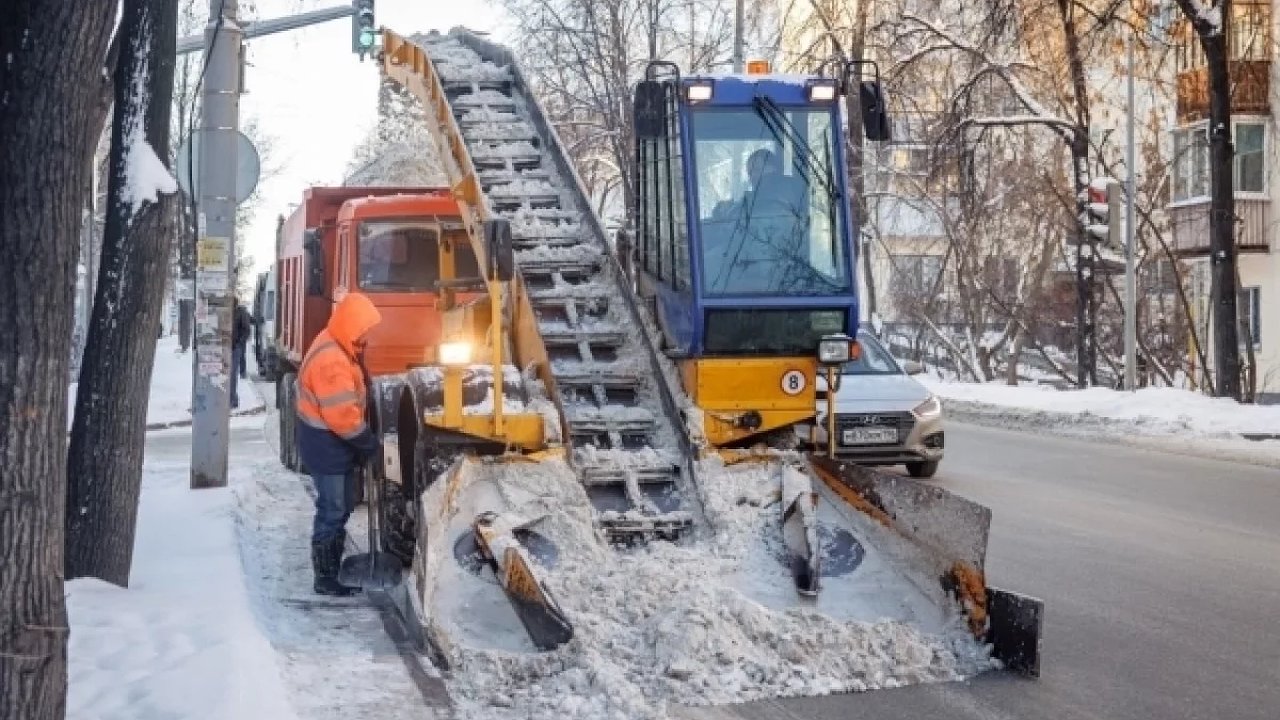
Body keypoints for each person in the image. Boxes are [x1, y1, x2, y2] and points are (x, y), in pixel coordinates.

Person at [295, 291, 383, 596]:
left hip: (332, 443)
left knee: (341, 507)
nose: (367, 336)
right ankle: (325, 577)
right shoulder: (331, 360)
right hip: (326, 445)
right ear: (351, 325)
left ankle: (332, 569)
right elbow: (342, 416)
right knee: (332, 509)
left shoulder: (340, 346)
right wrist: (367, 442)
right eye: (364, 329)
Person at [230, 298, 253, 407]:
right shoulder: (227, 312)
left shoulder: (241, 312)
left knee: (232, 373)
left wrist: (239, 341)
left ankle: (232, 399)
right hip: (225, 347)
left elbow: (246, 329)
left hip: (235, 347)